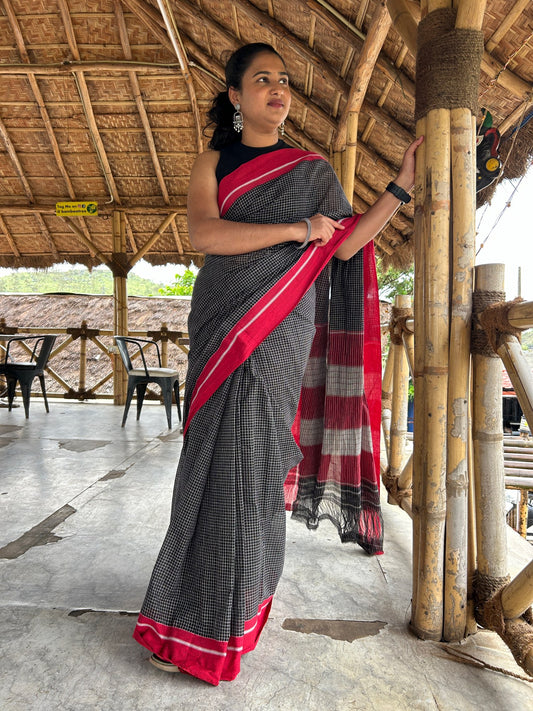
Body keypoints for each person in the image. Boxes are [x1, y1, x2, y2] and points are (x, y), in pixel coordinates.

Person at [133, 42, 422, 686]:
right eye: (262, 79)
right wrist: (296, 231)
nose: (278, 89)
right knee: (208, 465)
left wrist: (400, 184)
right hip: (220, 323)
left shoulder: (312, 171)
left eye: (284, 80)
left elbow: (344, 243)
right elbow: (206, 236)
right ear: (235, 97)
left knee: (258, 463)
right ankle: (185, 611)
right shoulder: (214, 161)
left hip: (281, 332)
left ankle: (232, 613)